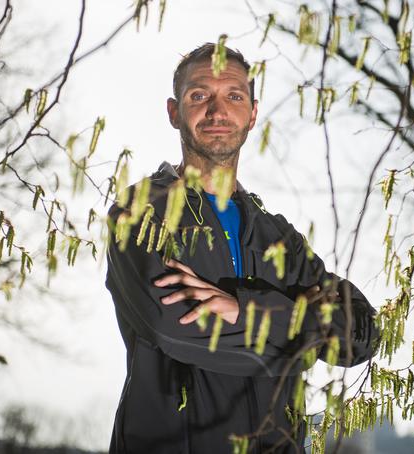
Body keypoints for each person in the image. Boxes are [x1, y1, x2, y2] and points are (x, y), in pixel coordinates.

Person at [105, 43, 377, 454]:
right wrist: (300, 340)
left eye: (233, 96)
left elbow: (361, 335)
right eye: (199, 96)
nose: (217, 111)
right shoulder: (142, 211)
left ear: (252, 114)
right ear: (174, 112)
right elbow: (173, 327)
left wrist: (245, 310)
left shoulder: (278, 238)